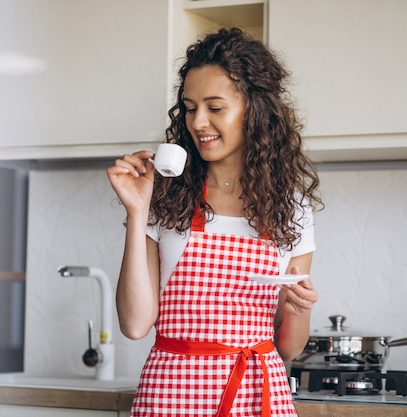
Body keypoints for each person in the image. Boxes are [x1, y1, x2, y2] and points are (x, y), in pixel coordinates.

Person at [106, 28, 323, 417]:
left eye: (215, 107)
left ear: (254, 110)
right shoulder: (165, 197)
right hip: (171, 395)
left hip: (256, 394)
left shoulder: (290, 207)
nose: (198, 122)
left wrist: (300, 308)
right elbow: (136, 325)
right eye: (190, 107)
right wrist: (137, 213)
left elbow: (288, 347)